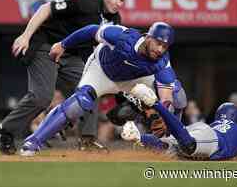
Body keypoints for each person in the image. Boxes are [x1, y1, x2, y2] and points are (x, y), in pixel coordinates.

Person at [0, 0, 126, 155]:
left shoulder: (115, 21)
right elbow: (45, 9)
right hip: (47, 45)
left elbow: (102, 52)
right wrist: (26, 36)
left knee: (91, 88)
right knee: (42, 97)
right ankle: (5, 131)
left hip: (72, 55)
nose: (118, 3)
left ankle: (87, 140)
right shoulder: (84, 0)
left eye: (122, 0)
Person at [19, 21, 177, 156]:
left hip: (135, 80)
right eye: (158, 43)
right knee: (79, 103)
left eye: (165, 46)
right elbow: (91, 30)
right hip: (103, 71)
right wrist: (62, 44)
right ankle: (33, 141)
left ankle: (167, 144)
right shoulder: (122, 36)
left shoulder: (162, 62)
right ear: (148, 37)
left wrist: (163, 111)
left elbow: (166, 97)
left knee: (177, 96)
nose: (160, 49)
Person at [121, 84, 237, 162]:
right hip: (209, 140)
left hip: (202, 131)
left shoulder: (216, 124)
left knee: (170, 147)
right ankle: (155, 103)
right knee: (187, 145)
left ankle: (140, 137)